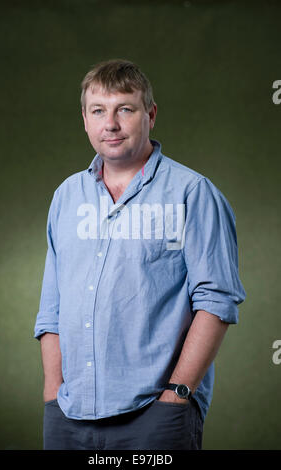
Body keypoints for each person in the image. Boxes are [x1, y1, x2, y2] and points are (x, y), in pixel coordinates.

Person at [34, 59, 246, 450]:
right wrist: (53, 396)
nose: (110, 124)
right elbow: (52, 308)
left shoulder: (193, 194)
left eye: (124, 109)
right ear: (85, 119)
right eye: (98, 111)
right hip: (69, 416)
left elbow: (217, 300)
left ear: (149, 114)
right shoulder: (66, 196)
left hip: (155, 416)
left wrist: (176, 397)